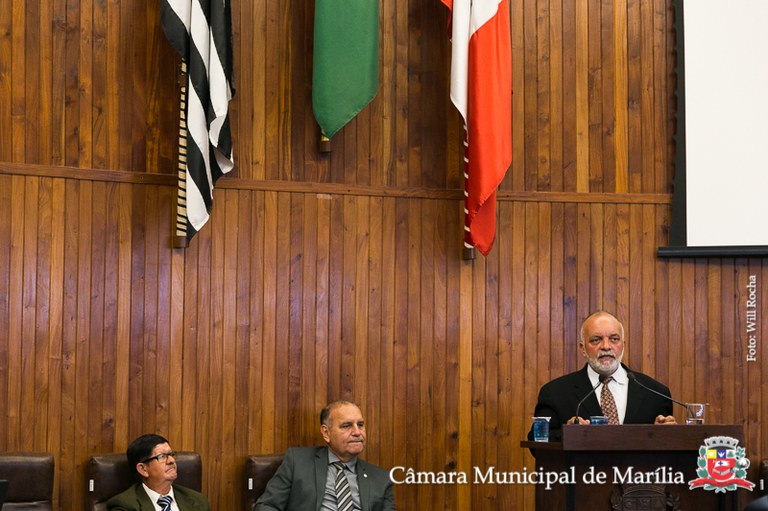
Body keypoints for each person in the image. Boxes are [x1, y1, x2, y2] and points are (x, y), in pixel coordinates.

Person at [528, 311, 676, 441]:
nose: (606, 346)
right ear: (583, 348)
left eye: (614, 339)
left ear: (623, 345)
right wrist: (567, 433)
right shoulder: (555, 393)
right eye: (596, 340)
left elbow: (669, 448)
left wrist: (663, 434)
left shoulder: (656, 393)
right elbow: (537, 440)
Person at [255, 400, 395, 511]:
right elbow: (266, 506)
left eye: (360, 424)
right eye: (346, 425)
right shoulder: (297, 461)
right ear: (326, 433)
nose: (357, 432)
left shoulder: (381, 479)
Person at [107, 433, 211, 511]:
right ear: (143, 469)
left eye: (171, 454)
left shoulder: (198, 501)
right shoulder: (125, 505)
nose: (171, 460)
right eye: (162, 456)